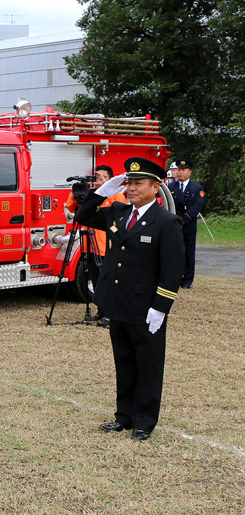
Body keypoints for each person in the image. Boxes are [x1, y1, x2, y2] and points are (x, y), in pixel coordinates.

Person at [75, 157, 184, 441]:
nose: (132, 188)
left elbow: (172, 271)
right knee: (123, 362)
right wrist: (101, 192)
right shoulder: (119, 212)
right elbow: (83, 216)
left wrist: (161, 308)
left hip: (145, 308)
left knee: (148, 366)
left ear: (156, 187)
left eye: (138, 183)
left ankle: (144, 421)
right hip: (117, 303)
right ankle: (123, 417)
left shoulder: (166, 222)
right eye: (129, 183)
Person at [65, 165, 127, 324]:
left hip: (105, 245)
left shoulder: (117, 196)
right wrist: (76, 194)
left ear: (110, 180)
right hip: (90, 245)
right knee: (96, 279)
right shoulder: (92, 195)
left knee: (106, 280)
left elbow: (114, 216)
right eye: (96, 177)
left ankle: (109, 313)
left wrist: (102, 194)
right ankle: (101, 311)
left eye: (101, 177)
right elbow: (74, 208)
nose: (97, 180)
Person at [167, 158, 204, 289]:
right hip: (173, 224)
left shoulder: (197, 188)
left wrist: (185, 219)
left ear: (190, 172)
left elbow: (197, 206)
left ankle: (187, 280)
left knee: (188, 252)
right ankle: (174, 278)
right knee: (174, 252)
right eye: (178, 170)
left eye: (183, 170)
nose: (180, 172)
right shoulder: (170, 186)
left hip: (188, 225)